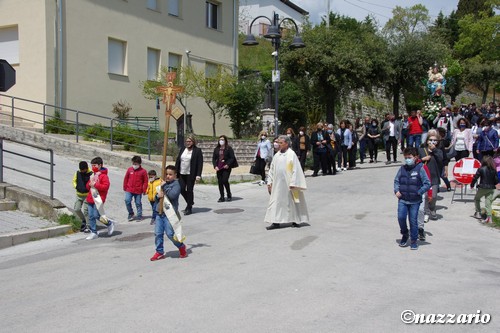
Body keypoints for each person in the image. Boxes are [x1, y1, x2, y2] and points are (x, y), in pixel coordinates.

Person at [265, 135, 309, 230]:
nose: (279, 145)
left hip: (289, 184)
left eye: (281, 143)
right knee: (276, 202)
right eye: (278, 143)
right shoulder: (277, 155)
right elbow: (271, 170)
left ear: (287, 143)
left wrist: (293, 182)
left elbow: (296, 170)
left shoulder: (291, 154)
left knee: (292, 202)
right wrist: (269, 183)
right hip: (277, 184)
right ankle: (275, 221)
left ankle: (296, 220)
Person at [394, 147, 431, 250]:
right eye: (405, 158)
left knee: (413, 221)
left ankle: (414, 240)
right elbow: (396, 181)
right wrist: (396, 190)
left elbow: (427, 183)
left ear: (415, 157)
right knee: (401, 218)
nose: (407, 160)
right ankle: (405, 234)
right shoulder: (402, 169)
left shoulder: (420, 168)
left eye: (409, 157)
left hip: (415, 201)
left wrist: (419, 192)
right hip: (403, 199)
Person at [150, 165, 188, 261]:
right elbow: (155, 197)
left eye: (170, 174)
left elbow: (172, 195)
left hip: (169, 214)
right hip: (159, 213)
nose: (168, 176)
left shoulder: (176, 185)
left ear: (175, 175)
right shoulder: (162, 183)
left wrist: (165, 186)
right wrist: (158, 196)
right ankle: (159, 252)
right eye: (166, 174)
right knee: (158, 233)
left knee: (170, 234)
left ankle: (181, 246)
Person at [85, 157, 115, 240]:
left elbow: (105, 187)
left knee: (97, 215)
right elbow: (87, 186)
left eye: (94, 165)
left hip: (99, 198)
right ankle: (93, 232)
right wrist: (89, 184)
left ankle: (109, 223)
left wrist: (95, 185)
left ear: (100, 165)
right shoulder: (92, 175)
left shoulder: (104, 176)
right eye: (92, 165)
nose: (93, 167)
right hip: (91, 197)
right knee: (91, 215)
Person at [175, 135, 203, 215]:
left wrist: (198, 175)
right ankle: (190, 201)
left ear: (193, 142)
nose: (188, 143)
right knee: (181, 189)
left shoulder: (197, 151)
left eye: (190, 141)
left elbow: (200, 163)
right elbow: (178, 160)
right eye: (187, 141)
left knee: (190, 190)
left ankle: (189, 207)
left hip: (191, 174)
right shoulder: (183, 149)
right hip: (181, 173)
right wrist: (175, 172)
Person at [419, 134, 443, 222]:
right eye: (430, 140)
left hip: (434, 177)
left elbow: (441, 159)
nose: (432, 142)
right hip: (423, 177)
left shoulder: (438, 151)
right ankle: (426, 213)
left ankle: (432, 208)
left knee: (433, 196)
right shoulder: (422, 150)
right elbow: (416, 160)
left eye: (434, 140)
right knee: (425, 196)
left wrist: (434, 150)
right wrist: (423, 159)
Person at [471, 156, 498, 224]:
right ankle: (489, 218)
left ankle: (478, 213)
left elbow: (475, 177)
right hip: (491, 188)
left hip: (483, 187)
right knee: (488, 202)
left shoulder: (481, 169)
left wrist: (472, 185)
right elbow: (496, 181)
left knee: (477, 199)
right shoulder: (494, 170)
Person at [212, 135, 238, 202]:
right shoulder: (216, 149)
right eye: (220, 139)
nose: (221, 141)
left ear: (225, 141)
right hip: (219, 167)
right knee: (220, 182)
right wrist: (215, 166)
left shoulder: (229, 148)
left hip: (226, 167)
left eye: (223, 139)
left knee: (225, 180)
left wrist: (228, 164)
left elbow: (232, 158)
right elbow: (214, 158)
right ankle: (222, 196)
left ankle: (229, 194)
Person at [123, 155, 148, 221]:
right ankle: (131, 213)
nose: (134, 165)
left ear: (139, 164)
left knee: (138, 203)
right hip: (129, 189)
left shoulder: (143, 171)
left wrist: (144, 190)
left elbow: (145, 181)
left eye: (136, 164)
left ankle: (139, 215)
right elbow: (126, 178)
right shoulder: (129, 169)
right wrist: (125, 187)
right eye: (133, 164)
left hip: (138, 190)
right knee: (127, 201)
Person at [72, 161, 92, 233]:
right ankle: (83, 220)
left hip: (87, 195)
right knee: (76, 209)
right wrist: (76, 186)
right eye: (81, 170)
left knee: (86, 210)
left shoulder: (91, 174)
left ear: (86, 168)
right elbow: (74, 181)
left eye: (83, 170)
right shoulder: (77, 173)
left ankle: (88, 225)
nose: (82, 171)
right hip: (79, 194)